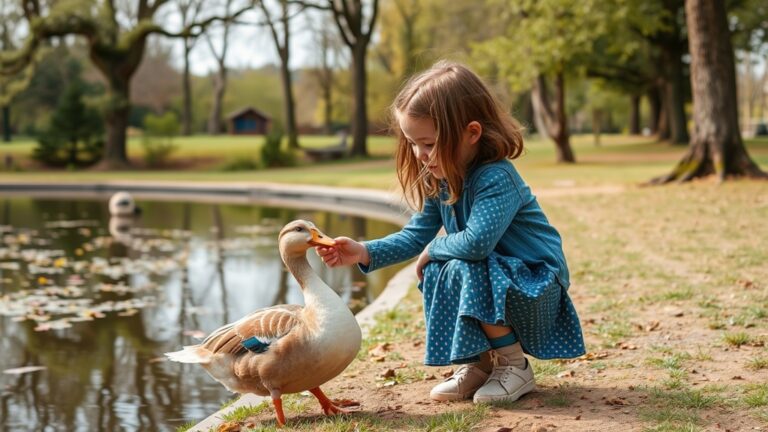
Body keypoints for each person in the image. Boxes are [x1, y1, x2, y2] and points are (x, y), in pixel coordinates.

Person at [315, 60, 585, 404]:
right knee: (446, 266)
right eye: (413, 143)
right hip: (502, 279)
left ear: (471, 133)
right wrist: (363, 251)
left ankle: (515, 366)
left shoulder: (495, 178)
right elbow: (415, 236)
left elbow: (476, 244)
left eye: (428, 143)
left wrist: (435, 248)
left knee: (462, 263)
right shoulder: (440, 178)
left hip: (536, 284)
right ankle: (479, 364)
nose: (420, 155)